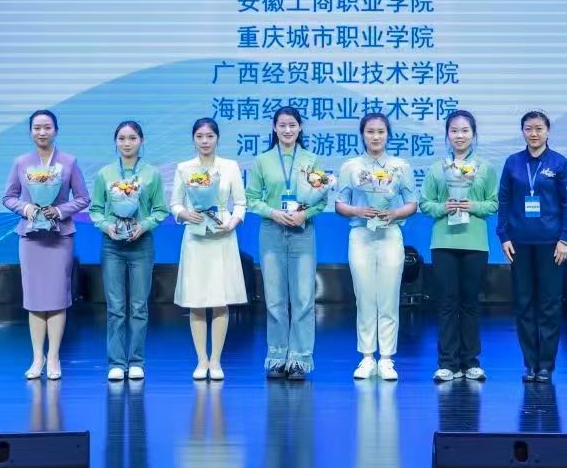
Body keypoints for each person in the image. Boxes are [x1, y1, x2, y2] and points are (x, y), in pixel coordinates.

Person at [2, 109, 90, 381]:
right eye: (37, 128)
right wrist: (26, 207)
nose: (42, 132)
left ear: (56, 131)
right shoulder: (20, 162)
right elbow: (8, 197)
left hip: (59, 237)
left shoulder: (69, 162)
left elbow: (83, 198)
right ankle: (37, 357)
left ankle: (53, 357)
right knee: (35, 298)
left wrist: (60, 210)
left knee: (57, 298)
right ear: (31, 132)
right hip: (31, 238)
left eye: (47, 127)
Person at [245, 106, 329, 380]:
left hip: (302, 231)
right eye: (282, 125)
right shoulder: (263, 161)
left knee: (303, 298)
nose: (287, 130)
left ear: (300, 127)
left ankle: (300, 359)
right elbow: (252, 198)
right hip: (271, 231)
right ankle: (278, 355)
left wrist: (305, 213)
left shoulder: (311, 160)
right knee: (274, 299)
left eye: (292, 125)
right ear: (274, 128)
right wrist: (273, 213)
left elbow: (322, 199)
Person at [335, 113, 418, 381]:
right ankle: (367, 357)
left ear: (388, 134)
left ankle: (387, 359)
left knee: (389, 296)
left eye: (381, 131)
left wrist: (394, 213)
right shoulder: (351, 166)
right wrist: (359, 210)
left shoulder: (400, 166)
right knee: (365, 296)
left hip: (390, 234)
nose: (375, 136)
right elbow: (339, 204)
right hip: (361, 234)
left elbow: (412, 203)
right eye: (370, 131)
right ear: (363, 134)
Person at [419, 110, 499, 382]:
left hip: (475, 243)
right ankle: (447, 363)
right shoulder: (437, 169)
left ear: (473, 135)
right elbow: (425, 203)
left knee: (470, 303)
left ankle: (471, 362)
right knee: (446, 303)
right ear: (447, 135)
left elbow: (494, 203)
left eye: (465, 130)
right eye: (454, 130)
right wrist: (444, 207)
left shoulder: (485, 168)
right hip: (443, 242)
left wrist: (472, 205)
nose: (459, 135)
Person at [497, 110, 567, 383]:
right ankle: (530, 364)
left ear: (548, 131)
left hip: (551, 244)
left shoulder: (559, 163)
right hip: (518, 244)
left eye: (539, 128)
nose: (534, 133)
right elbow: (504, 201)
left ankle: (546, 366)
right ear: (522, 131)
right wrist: (503, 236)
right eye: (528, 128)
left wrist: (565, 238)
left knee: (549, 305)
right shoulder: (513, 163)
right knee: (523, 304)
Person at [88, 120, 168, 381]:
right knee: (116, 307)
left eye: (132, 138)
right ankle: (115, 362)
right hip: (112, 245)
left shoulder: (152, 174)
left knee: (138, 306)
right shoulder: (105, 174)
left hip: (141, 244)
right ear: (115, 142)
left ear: (141, 141)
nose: (127, 143)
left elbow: (160, 210)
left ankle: (136, 361)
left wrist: (144, 225)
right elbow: (95, 209)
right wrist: (107, 226)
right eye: (122, 138)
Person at [171, 117, 247, 381]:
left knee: (219, 300)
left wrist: (233, 222)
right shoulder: (184, 168)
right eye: (200, 136)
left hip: (222, 235)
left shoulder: (230, 167)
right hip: (195, 237)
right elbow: (174, 203)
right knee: (197, 300)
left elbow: (240, 203)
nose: (205, 141)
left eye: (209, 136)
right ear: (193, 139)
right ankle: (201, 359)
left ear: (217, 138)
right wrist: (185, 214)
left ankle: (216, 360)